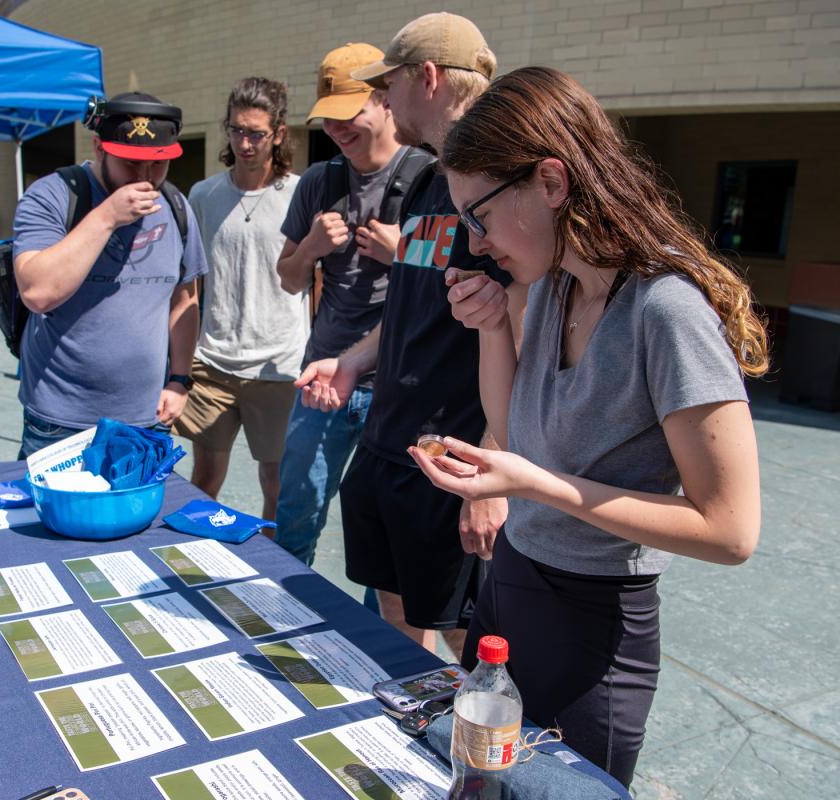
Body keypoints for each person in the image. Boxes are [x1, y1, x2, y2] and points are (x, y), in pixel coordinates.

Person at [413, 65, 766, 787]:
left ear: (550, 181)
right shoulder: (550, 287)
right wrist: (489, 329)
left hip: (595, 621)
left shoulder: (665, 312)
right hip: (513, 581)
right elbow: (514, 427)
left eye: (479, 214)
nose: (475, 242)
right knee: (478, 778)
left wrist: (539, 487)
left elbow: (732, 532)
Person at [299, 14, 519, 658]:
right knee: (397, 611)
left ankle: (484, 753)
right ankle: (412, 728)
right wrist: (349, 361)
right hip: (390, 443)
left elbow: (535, 339)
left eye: (388, 83)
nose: (384, 99)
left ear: (427, 78)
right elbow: (409, 303)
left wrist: (492, 471)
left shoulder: (506, 185)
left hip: (455, 458)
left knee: (466, 633)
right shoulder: (429, 181)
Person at [273, 43, 432, 565]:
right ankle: (285, 613)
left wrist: (402, 250)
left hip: (397, 386)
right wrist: (312, 249)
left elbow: (449, 286)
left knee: (384, 530)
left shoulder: (430, 178)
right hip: (322, 378)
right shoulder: (321, 181)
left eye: (350, 115)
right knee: (297, 512)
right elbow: (289, 280)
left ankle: (380, 641)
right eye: (329, 120)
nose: (338, 131)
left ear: (386, 101)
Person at [12, 92, 207, 458]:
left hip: (147, 417)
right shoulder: (53, 196)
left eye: (158, 165)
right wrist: (106, 216)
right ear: (99, 147)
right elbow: (37, 292)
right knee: (53, 517)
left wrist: (180, 380)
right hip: (61, 421)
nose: (146, 178)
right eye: (131, 163)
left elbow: (186, 298)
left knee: (142, 515)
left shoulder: (176, 205)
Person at [174, 78, 303, 521]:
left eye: (256, 133)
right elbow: (190, 282)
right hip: (213, 362)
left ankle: (267, 582)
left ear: (279, 134)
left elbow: (315, 281)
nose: (244, 143)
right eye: (236, 130)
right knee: (205, 479)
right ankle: (196, 564)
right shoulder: (204, 195)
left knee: (277, 486)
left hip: (280, 365)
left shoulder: (300, 193)